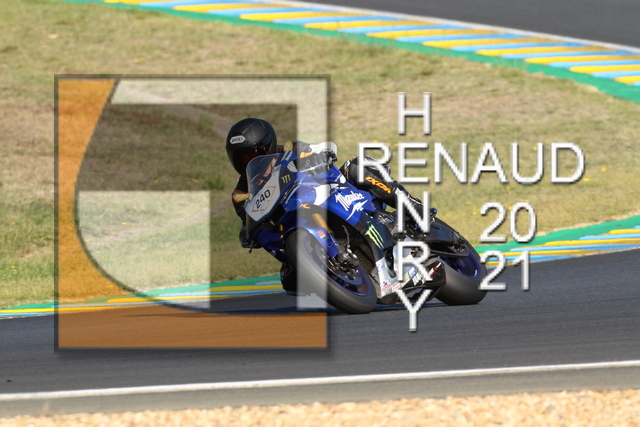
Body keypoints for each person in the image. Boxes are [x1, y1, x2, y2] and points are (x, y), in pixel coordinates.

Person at [225, 118, 425, 292]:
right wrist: (248, 232)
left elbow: (318, 150)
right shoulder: (241, 193)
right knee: (290, 281)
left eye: (251, 155)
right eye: (241, 158)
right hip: (293, 223)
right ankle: (346, 275)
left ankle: (410, 204)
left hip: (331, 192)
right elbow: (249, 220)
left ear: (268, 146)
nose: (247, 162)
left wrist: (323, 153)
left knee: (357, 167)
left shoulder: (289, 150)